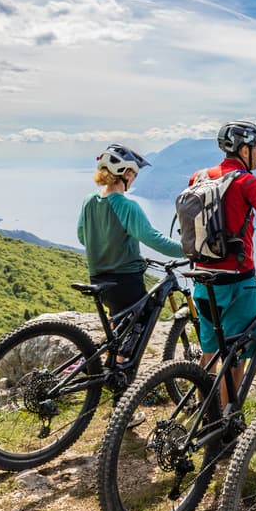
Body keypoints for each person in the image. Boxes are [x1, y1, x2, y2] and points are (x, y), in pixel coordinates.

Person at [189, 122, 256, 403]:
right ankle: (225, 423)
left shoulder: (198, 178)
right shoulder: (246, 181)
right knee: (236, 357)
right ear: (244, 148)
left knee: (210, 352)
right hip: (237, 282)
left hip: (202, 278)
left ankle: (205, 413)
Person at [77, 143, 183, 379]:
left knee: (119, 331)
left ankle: (106, 373)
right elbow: (154, 239)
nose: (134, 179)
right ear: (126, 173)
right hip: (125, 280)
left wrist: (107, 244)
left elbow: (82, 236)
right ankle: (120, 393)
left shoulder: (89, 201)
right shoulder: (126, 205)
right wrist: (190, 250)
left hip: (98, 276)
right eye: (134, 174)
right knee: (137, 330)